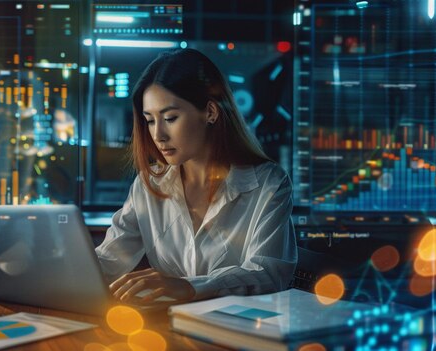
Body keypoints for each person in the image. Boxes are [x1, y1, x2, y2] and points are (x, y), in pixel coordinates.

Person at [95, 48, 297, 304]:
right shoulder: (149, 185)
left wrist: (188, 287)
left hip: (240, 330)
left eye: (170, 118)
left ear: (210, 112)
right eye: (150, 120)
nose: (158, 136)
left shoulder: (269, 184)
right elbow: (110, 259)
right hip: (170, 327)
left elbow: (269, 274)